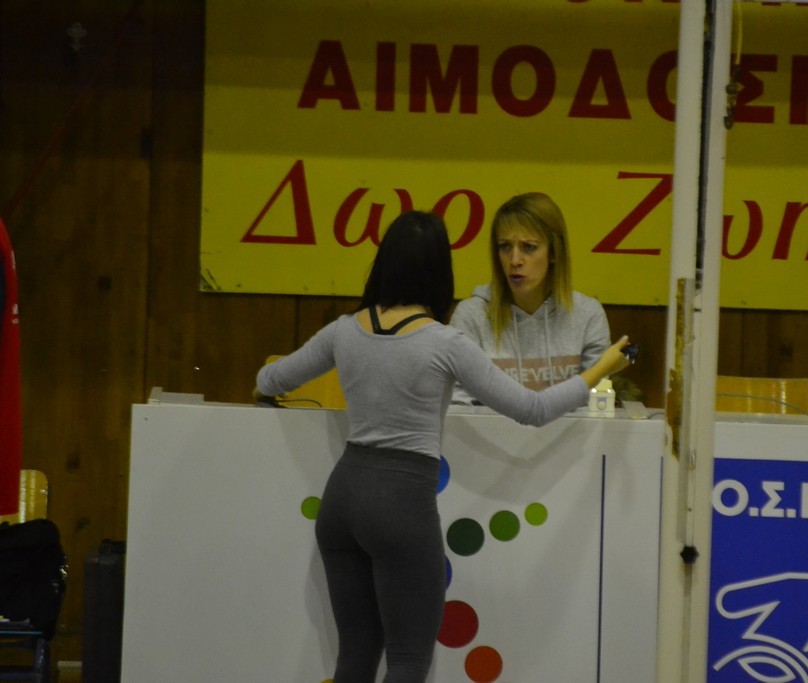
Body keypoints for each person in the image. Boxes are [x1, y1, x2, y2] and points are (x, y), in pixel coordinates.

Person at [254, 210, 631, 683]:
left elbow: (269, 380)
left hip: (341, 500)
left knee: (354, 656)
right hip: (401, 506)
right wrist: (601, 369)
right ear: (439, 272)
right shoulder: (445, 343)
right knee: (408, 662)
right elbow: (531, 410)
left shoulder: (344, 330)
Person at [449, 192, 610, 404]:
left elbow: (596, 403)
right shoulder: (472, 316)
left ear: (554, 252)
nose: (515, 260)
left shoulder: (588, 316)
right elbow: (458, 404)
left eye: (529, 247)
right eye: (505, 246)